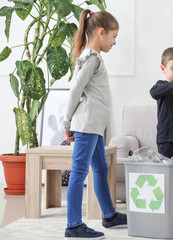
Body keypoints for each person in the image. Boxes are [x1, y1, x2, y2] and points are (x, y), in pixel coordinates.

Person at [62, 9, 126, 240]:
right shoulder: (92, 58)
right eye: (113, 36)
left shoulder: (93, 57)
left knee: (101, 169)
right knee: (79, 173)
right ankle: (73, 225)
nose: (115, 41)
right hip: (87, 124)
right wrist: (67, 122)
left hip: (95, 126)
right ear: (101, 32)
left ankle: (109, 215)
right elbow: (75, 91)